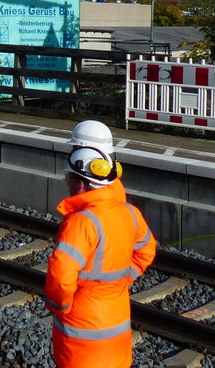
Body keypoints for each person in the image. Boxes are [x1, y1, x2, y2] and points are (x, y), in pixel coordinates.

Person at [45, 120, 157, 368]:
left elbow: (61, 274)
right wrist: (123, 279)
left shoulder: (81, 223)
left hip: (82, 330)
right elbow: (146, 250)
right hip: (116, 320)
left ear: (81, 182)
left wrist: (60, 307)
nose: (67, 183)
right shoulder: (129, 212)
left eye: (70, 178)